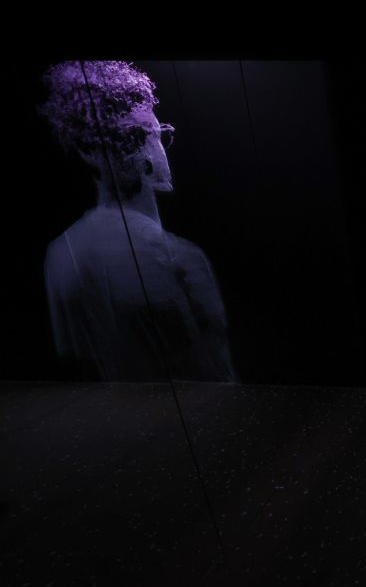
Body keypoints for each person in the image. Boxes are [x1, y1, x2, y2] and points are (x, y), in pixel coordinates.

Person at [40, 61, 236, 382]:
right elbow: (219, 378)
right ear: (89, 150)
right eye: (136, 137)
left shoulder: (60, 254)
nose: (151, 154)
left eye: (158, 136)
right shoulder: (182, 259)